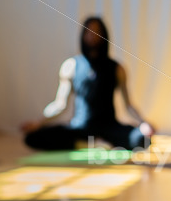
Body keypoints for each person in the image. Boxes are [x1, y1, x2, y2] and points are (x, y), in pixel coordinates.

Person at [22, 17, 154, 151]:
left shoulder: (117, 68)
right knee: (32, 137)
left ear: (104, 36)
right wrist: (38, 122)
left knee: (142, 139)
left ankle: (98, 143)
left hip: (110, 128)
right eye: (89, 32)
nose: (93, 36)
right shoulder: (71, 66)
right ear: (83, 35)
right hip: (80, 127)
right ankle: (88, 144)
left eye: (97, 32)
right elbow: (60, 104)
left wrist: (143, 123)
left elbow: (128, 104)